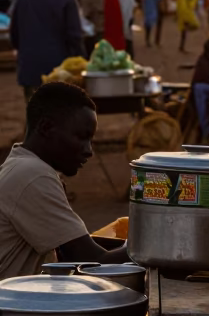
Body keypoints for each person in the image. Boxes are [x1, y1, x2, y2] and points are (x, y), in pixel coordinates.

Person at [0, 83, 129, 279]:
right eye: (81, 137)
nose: (89, 150)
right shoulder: (33, 175)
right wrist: (149, 246)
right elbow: (93, 262)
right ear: (46, 127)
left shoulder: (19, 165)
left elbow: (68, 249)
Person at [10, 0, 84, 101]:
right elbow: (75, 37)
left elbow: (14, 35)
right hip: (59, 72)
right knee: (58, 116)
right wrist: (81, 64)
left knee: (35, 115)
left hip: (29, 70)